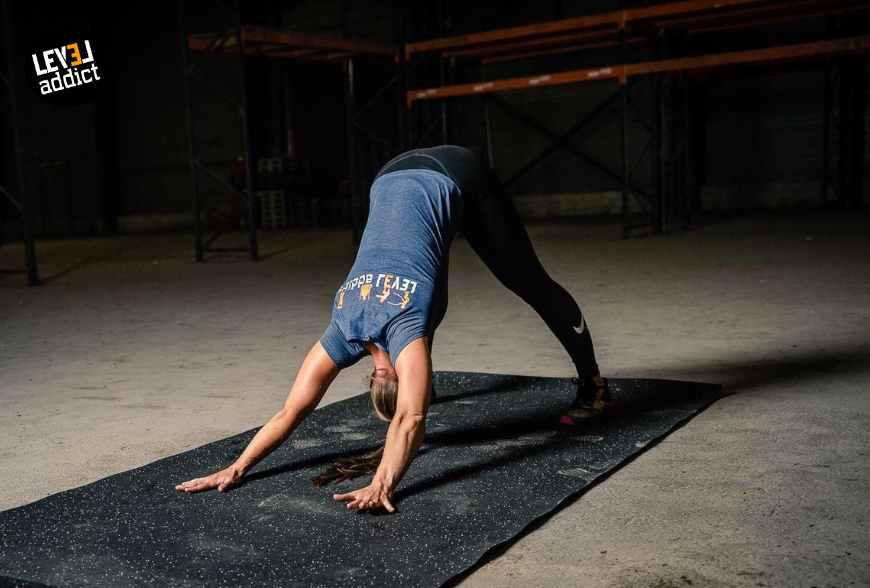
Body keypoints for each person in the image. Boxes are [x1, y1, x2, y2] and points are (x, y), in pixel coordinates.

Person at [175, 145, 609, 512]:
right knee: (424, 302)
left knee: (527, 281)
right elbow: (291, 412)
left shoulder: (403, 330)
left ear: (381, 373)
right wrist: (236, 467)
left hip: (457, 172)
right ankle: (428, 377)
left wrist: (382, 485)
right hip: (389, 176)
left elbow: (410, 417)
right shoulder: (343, 327)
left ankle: (594, 384)